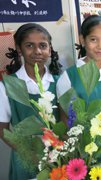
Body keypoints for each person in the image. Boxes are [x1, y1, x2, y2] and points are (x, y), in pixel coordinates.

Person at [0, 23, 61, 180]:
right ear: (19, 48)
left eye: (42, 45)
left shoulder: (59, 81)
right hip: (25, 159)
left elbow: (67, 120)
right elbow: (2, 130)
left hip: (57, 156)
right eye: (29, 45)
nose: (37, 51)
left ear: (50, 48)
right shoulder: (7, 85)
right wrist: (30, 154)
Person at [56, 15, 101, 104]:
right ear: (82, 40)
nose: (100, 46)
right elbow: (65, 116)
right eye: (93, 40)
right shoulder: (69, 77)